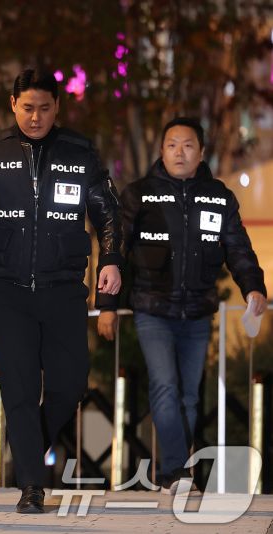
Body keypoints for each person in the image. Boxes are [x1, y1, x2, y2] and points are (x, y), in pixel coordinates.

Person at [0, 68, 122, 513]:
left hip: (64, 289)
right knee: (19, 389)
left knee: (70, 385)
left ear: (58, 107)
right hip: (6, 291)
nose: (36, 117)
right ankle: (32, 486)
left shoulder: (79, 152)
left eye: (45, 108)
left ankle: (28, 448)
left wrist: (111, 259)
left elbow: (108, 213)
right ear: (13, 105)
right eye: (28, 108)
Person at [98, 117, 267, 493]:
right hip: (152, 310)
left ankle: (171, 472)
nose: (180, 152)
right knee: (165, 386)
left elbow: (239, 249)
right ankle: (177, 472)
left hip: (197, 314)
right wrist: (107, 306)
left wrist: (254, 288)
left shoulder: (219, 197)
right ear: (161, 150)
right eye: (172, 144)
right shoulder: (139, 194)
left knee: (189, 398)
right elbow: (115, 251)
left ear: (201, 153)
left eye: (188, 145)